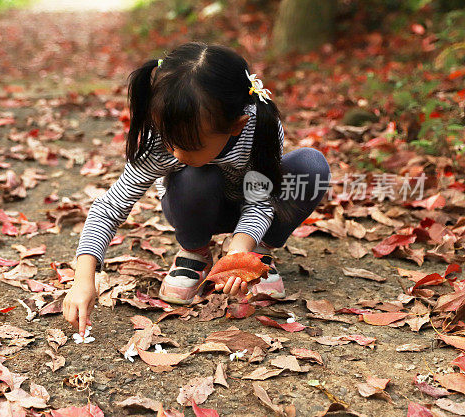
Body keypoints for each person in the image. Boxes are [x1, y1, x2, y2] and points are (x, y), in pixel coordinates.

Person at [62, 42, 331, 336]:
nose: (175, 152)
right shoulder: (161, 140)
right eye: (169, 139)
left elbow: (260, 199)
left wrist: (239, 253)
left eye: (188, 145)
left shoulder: (260, 127)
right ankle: (195, 252)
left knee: (310, 165)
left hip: (249, 205)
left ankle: (261, 251)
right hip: (194, 203)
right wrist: (83, 279)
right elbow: (109, 207)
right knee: (194, 174)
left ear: (237, 125)